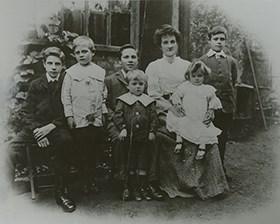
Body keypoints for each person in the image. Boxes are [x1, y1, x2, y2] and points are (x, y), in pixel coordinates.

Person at [8, 47, 76, 212]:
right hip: (36, 128)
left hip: (57, 127)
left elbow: (71, 109)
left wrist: (52, 126)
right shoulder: (36, 84)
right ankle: (6, 193)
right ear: (44, 64)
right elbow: (25, 112)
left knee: (66, 141)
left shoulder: (67, 83)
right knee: (8, 149)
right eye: (50, 63)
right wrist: (38, 131)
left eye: (57, 64)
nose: (53, 67)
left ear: (62, 66)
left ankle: (61, 192)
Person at [105, 44, 163, 201]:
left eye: (133, 57)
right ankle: (124, 183)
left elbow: (150, 106)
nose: (130, 60)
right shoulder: (110, 80)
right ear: (119, 60)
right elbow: (107, 106)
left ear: (137, 59)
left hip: (142, 121)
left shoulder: (142, 77)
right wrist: (120, 126)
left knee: (155, 138)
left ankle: (150, 182)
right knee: (119, 139)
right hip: (116, 121)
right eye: (126, 57)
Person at [145, 24, 191, 198]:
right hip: (163, 107)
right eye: (165, 42)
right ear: (160, 45)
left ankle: (191, 181)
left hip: (186, 105)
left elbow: (193, 88)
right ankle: (164, 180)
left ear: (177, 43)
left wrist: (184, 107)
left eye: (173, 41)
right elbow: (154, 95)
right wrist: (171, 107)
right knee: (165, 132)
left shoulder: (186, 65)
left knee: (197, 129)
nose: (170, 45)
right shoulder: (154, 67)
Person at [61, 36, 107, 195]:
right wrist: (69, 116)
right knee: (81, 151)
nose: (81, 55)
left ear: (92, 52)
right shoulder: (70, 73)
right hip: (79, 117)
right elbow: (65, 96)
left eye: (85, 51)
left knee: (94, 150)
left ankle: (92, 179)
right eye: (78, 52)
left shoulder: (100, 72)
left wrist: (104, 111)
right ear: (74, 54)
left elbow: (104, 94)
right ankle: (83, 180)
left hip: (95, 117)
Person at [199, 25, 239, 180]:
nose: (219, 42)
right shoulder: (203, 60)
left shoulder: (231, 61)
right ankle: (207, 171)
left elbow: (233, 81)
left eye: (222, 39)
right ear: (209, 40)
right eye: (216, 39)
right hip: (207, 108)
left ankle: (220, 169)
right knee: (206, 139)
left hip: (225, 108)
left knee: (222, 139)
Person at [113, 69, 157, 202]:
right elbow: (117, 115)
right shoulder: (123, 100)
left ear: (145, 85)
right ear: (128, 86)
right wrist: (123, 128)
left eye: (141, 84)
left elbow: (154, 118)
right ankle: (131, 188)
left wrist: (151, 131)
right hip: (130, 140)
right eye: (134, 83)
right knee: (130, 163)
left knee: (143, 162)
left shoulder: (149, 101)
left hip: (143, 138)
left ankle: (143, 187)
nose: (138, 87)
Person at [166, 60, 222, 160]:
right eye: (194, 75)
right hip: (187, 114)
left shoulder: (207, 89)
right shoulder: (185, 86)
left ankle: (202, 147)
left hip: (199, 116)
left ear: (204, 76)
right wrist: (177, 104)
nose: (196, 78)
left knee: (204, 128)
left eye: (199, 76)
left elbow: (214, 100)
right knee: (179, 121)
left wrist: (211, 110)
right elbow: (176, 96)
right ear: (189, 76)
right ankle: (179, 141)